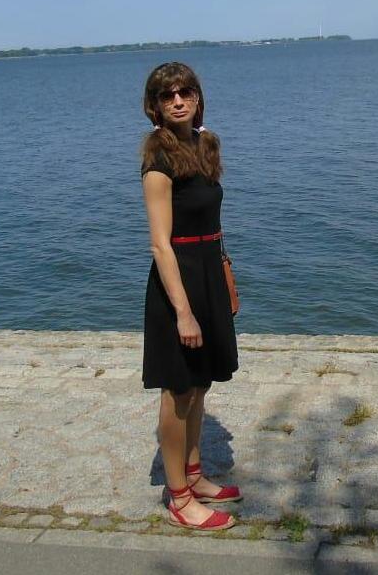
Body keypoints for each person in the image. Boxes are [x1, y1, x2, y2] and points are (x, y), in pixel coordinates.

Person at [140, 62, 242, 531]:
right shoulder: (157, 161)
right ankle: (179, 497)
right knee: (179, 390)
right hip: (177, 280)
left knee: (200, 385)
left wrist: (221, 280)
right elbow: (160, 244)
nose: (178, 101)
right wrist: (183, 312)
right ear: (155, 106)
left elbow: (208, 220)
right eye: (168, 95)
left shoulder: (205, 145)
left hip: (207, 273)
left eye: (186, 92)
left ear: (198, 97)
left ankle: (195, 475)